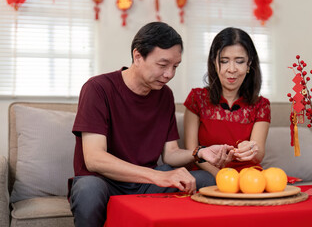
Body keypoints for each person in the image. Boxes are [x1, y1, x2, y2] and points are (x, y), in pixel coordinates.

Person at [69, 22, 234, 227]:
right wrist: (158, 176)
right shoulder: (98, 88)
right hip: (103, 181)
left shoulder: (165, 95)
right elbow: (94, 159)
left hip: (145, 183)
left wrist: (200, 152)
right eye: (163, 65)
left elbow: (171, 153)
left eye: (175, 66)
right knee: (88, 190)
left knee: (204, 180)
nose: (169, 74)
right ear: (138, 56)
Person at [184, 27, 271, 177]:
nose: (232, 69)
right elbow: (193, 153)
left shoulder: (261, 105)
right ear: (214, 63)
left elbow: (259, 154)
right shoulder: (197, 98)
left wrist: (251, 149)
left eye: (239, 61)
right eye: (224, 61)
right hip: (208, 175)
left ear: (249, 64)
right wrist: (222, 176)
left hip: (248, 176)